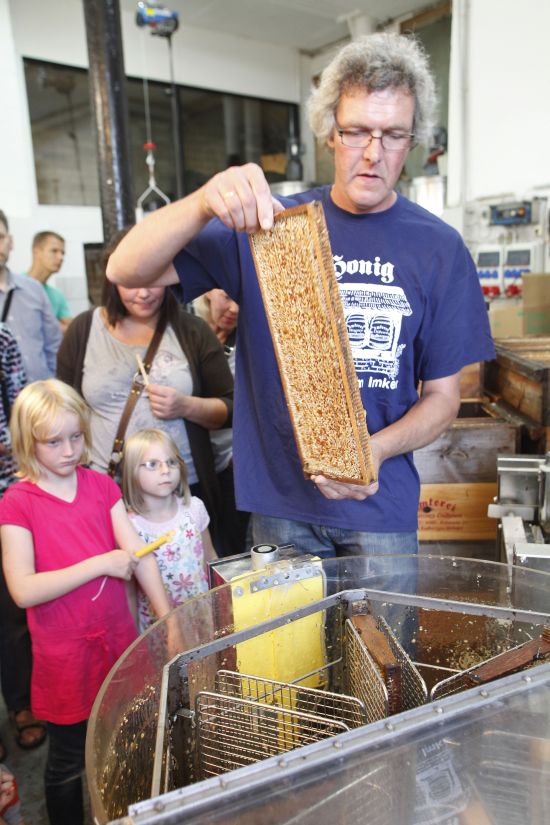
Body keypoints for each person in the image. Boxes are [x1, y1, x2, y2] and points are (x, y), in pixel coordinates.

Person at [106, 33, 495, 560]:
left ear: (412, 140)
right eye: (356, 131)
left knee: (381, 621)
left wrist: (373, 451)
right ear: (330, 133)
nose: (373, 153)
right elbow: (125, 267)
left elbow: (443, 397)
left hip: (381, 511)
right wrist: (203, 201)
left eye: (393, 135)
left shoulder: (439, 248)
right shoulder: (269, 226)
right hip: (280, 507)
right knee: (288, 622)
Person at [0, 379, 173, 825]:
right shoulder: (17, 503)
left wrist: (169, 619)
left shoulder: (100, 486)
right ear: (27, 442)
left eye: (76, 437)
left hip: (117, 642)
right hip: (64, 659)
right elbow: (23, 589)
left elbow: (139, 556)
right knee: (68, 762)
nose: (69, 450)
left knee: (126, 743)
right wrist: (99, 564)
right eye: (53, 442)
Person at [57, 232, 234, 555]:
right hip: (106, 489)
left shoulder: (192, 331)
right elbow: (63, 408)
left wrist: (186, 406)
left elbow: (232, 409)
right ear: (113, 278)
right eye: (131, 282)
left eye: (153, 280)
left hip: (178, 490)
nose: (143, 293)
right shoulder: (83, 330)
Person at [0, 324, 46, 759]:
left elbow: (20, 407)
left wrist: (14, 446)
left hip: (5, 492)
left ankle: (21, 704)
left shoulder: (3, 337)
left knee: (13, 613)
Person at [122, 428, 216, 632]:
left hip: (202, 617)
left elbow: (210, 559)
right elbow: (129, 589)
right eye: (152, 464)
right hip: (157, 628)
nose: (165, 470)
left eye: (171, 462)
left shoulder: (194, 508)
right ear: (131, 471)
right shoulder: (128, 526)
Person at [193, 289, 250, 555]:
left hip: (235, 461)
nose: (235, 308)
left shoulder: (251, 336)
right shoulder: (188, 331)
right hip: (197, 458)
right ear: (207, 292)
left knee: (233, 545)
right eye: (227, 297)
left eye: (241, 298)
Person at [0, 211, 61, 382]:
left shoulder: (34, 290)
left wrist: (52, 384)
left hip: (40, 393)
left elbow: (53, 345)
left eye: (0, 237)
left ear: (10, 242)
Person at [27, 231, 72, 332]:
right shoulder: (14, 286)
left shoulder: (57, 295)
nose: (61, 257)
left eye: (63, 253)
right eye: (54, 251)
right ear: (36, 252)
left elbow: (71, 330)